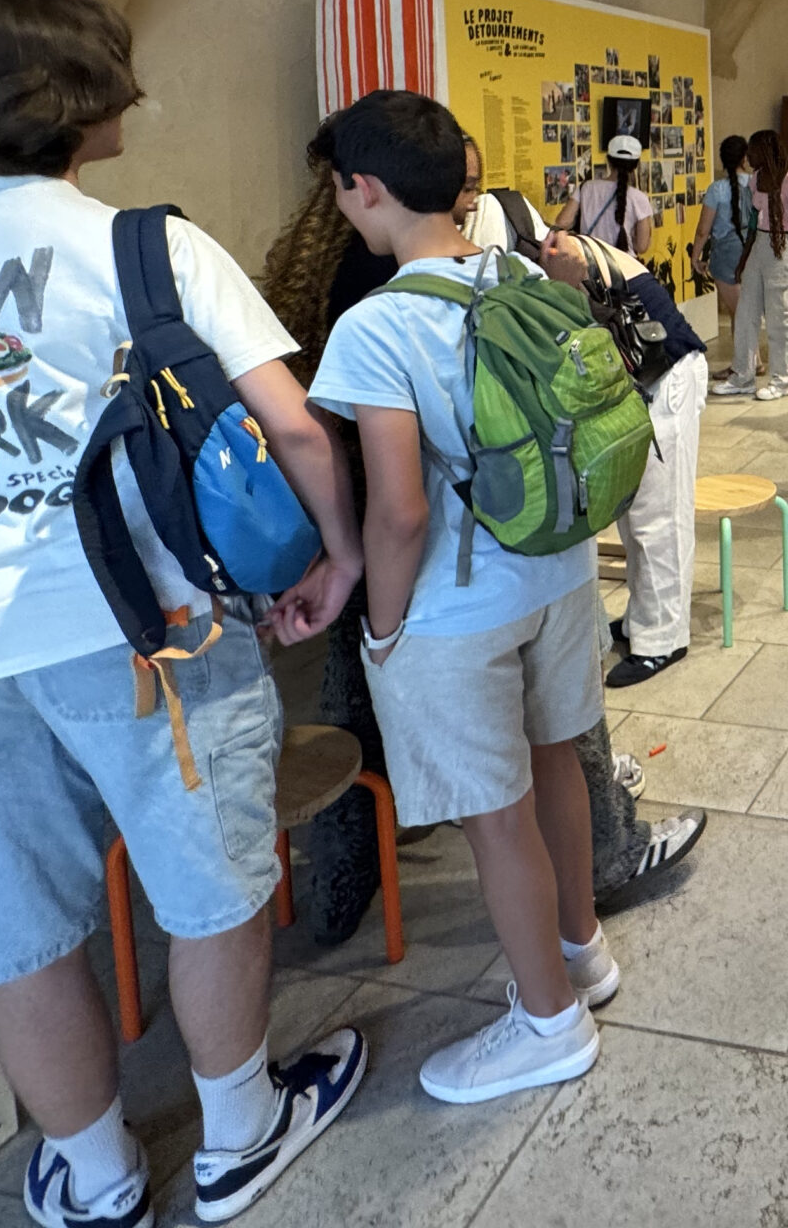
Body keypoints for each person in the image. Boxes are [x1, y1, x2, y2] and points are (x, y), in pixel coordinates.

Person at [0, 0, 367, 1227]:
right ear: (72, 104)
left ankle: (95, 1178)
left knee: (22, 932)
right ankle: (238, 1136)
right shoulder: (145, 249)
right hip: (157, 639)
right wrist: (338, 559)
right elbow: (298, 432)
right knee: (209, 893)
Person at [255, 154, 699, 935]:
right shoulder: (452, 281)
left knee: (356, 708)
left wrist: (347, 565)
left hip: (366, 523)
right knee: (540, 757)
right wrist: (384, 616)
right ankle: (594, 881)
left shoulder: (327, 269)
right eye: (460, 177)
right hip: (452, 541)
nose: (469, 194)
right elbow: (408, 501)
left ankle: (343, 886)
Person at [307, 90, 620, 1104]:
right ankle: (581, 952)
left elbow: (399, 510)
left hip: (456, 605)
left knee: (494, 815)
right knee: (557, 761)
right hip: (559, 570)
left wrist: (383, 624)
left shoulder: (376, 325)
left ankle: (549, 1026)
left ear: (364, 189)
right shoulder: (526, 274)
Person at [541, 227, 711, 689]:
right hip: (645, 377)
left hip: (667, 374)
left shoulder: (559, 252)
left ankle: (664, 640)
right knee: (635, 515)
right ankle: (643, 619)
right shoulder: (551, 247)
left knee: (660, 516)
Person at [722, 127, 788, 402]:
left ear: (766, 151)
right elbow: (752, 221)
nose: (748, 156)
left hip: (780, 247)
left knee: (779, 315)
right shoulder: (756, 179)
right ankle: (743, 375)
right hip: (759, 245)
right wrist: (743, 259)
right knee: (746, 312)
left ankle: (783, 381)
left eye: (753, 150)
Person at [691, 134, 751, 354]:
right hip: (753, 250)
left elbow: (703, 230)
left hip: (725, 255)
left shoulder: (716, 189)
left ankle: (749, 361)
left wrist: (695, 257)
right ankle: (749, 360)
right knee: (746, 312)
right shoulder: (755, 184)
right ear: (745, 158)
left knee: (739, 313)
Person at [561, 135, 654, 256]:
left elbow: (563, 222)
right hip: (623, 263)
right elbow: (641, 246)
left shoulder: (586, 187)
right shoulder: (639, 198)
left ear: (608, 161)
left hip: (590, 260)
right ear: (635, 165)